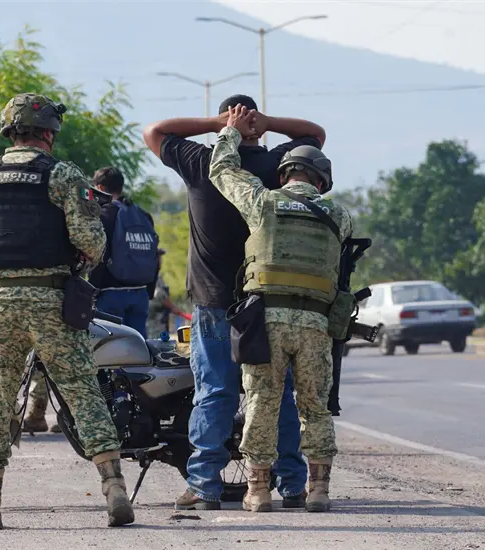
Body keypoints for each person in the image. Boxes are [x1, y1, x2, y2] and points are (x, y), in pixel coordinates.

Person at [0, 93, 134, 530]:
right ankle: (114, 490)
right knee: (84, 394)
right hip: (53, 303)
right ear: (49, 131)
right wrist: (80, 264)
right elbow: (91, 242)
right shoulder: (63, 175)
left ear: (9, 131)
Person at [143, 95, 324, 509]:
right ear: (257, 126)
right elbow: (316, 134)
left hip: (214, 300)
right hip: (268, 301)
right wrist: (266, 122)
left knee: (215, 392)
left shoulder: (202, 163)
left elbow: (153, 131)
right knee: (278, 393)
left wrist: (218, 124)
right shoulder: (278, 167)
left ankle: (205, 486)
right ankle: (293, 485)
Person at [209, 104, 353, 513]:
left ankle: (257, 492)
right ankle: (319, 490)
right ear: (321, 180)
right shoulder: (339, 216)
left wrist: (231, 133)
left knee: (261, 402)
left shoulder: (263, 202)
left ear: (284, 173)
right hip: (315, 324)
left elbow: (221, 171)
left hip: (265, 321)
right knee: (315, 406)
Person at [88, 166, 159, 338]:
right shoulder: (143, 215)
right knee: (138, 352)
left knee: (110, 352)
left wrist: (93, 290)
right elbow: (154, 255)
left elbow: (97, 252)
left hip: (110, 294)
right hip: (140, 294)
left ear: (100, 188)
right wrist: (149, 291)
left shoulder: (103, 216)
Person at [147, 249, 191, 338]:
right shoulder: (152, 274)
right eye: (158, 257)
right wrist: (173, 308)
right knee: (157, 343)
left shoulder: (152, 273)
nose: (160, 260)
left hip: (158, 318)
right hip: (154, 320)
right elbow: (159, 294)